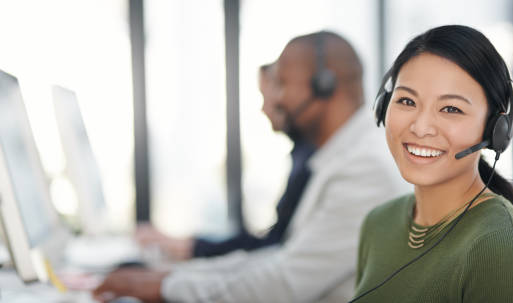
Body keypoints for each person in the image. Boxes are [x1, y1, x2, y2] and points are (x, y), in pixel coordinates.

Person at [94, 31, 406, 302]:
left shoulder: (365, 169)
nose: (277, 99)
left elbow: (285, 282)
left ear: (324, 86)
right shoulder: (341, 158)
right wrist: (172, 277)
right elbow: (281, 257)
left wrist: (166, 285)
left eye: (283, 84)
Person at [353, 25, 513, 302]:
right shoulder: (378, 223)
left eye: (451, 109)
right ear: (384, 106)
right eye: (407, 101)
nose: (420, 128)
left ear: (495, 128)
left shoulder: (501, 246)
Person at [135, 63, 316, 260]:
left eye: (269, 95)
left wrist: (187, 252)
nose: (264, 108)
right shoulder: (302, 155)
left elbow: (273, 247)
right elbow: (273, 242)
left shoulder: (313, 160)